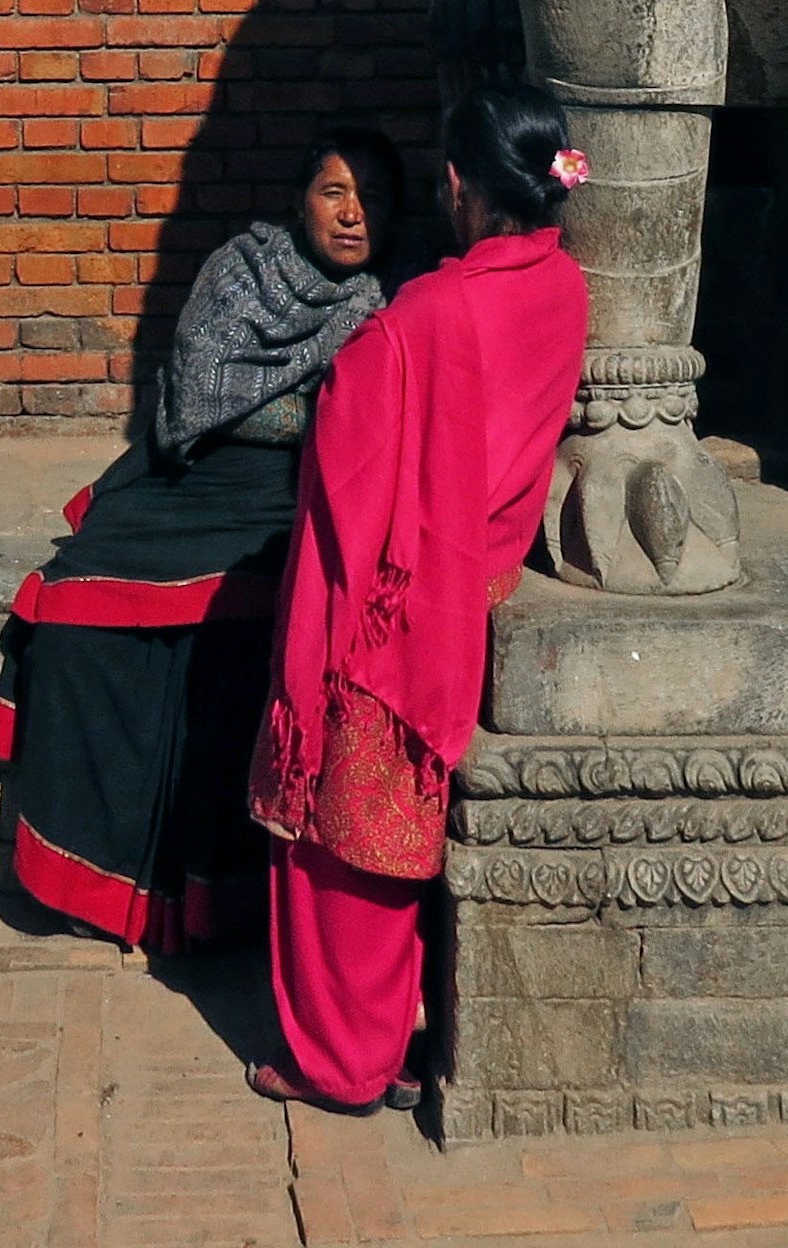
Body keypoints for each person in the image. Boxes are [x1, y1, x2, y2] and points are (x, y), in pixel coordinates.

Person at [246, 79, 591, 1111]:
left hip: (391, 602)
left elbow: (352, 462)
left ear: (455, 186)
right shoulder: (563, 287)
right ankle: (388, 1043)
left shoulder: (427, 315)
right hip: (471, 581)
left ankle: (342, 1063)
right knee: (392, 835)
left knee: (336, 841)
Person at [0, 121, 409, 954]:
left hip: (290, 498)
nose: (354, 215)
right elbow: (200, 401)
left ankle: (214, 905)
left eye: (372, 199)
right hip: (190, 478)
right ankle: (94, 883)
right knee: (74, 615)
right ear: (301, 202)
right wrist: (307, 406)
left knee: (236, 645)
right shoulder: (240, 269)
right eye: (335, 193)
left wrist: (302, 419)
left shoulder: (386, 301)